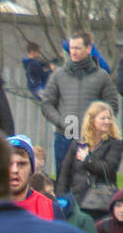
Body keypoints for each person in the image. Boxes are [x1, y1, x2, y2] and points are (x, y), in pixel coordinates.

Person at [42, 31, 120, 170]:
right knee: (63, 183)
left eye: (77, 48)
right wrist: (61, 121)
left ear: (89, 49)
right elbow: (47, 104)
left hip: (93, 139)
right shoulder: (58, 75)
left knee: (90, 181)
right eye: (71, 48)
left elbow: (112, 106)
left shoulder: (102, 76)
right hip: (64, 137)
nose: (73, 52)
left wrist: (96, 123)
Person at [55, 100, 123, 220]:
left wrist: (87, 159)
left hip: (100, 204)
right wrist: (61, 198)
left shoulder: (115, 143)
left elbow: (108, 169)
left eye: (109, 118)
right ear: (92, 120)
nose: (107, 121)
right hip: (76, 202)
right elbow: (64, 173)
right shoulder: (78, 143)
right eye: (103, 118)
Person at [33, 172, 101, 233]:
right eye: (49, 192)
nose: (53, 195)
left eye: (52, 191)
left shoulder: (82, 220)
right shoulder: (29, 220)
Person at [7, 134, 59, 220]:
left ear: (32, 170)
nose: (14, 170)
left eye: (22, 164)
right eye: (8, 164)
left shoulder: (50, 209)